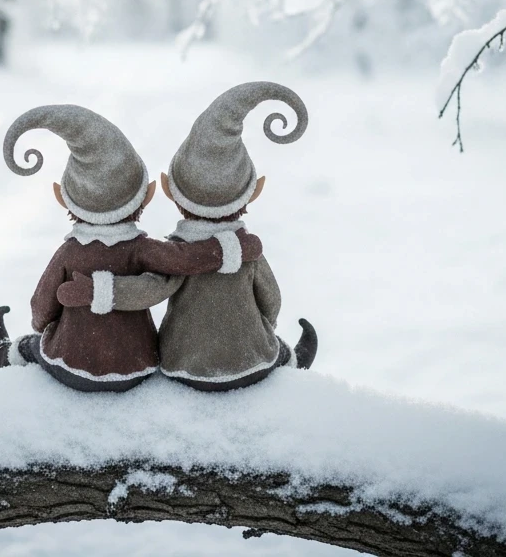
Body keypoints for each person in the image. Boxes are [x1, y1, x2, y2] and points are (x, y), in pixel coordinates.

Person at [58, 82, 317, 392]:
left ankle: (19, 352)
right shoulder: (248, 252)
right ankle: (285, 357)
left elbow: (154, 289)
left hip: (183, 364)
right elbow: (271, 298)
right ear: (255, 190)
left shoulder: (179, 254)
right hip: (252, 361)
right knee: (274, 348)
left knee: (39, 343)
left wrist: (96, 293)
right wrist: (261, 328)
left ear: (164, 190)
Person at [0, 103, 261, 392]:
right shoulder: (142, 249)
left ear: (62, 197)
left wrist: (50, 324)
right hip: (136, 366)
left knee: (35, 345)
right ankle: (287, 355)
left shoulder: (69, 253)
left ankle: (10, 354)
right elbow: (182, 264)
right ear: (149, 194)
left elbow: (41, 309)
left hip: (70, 364)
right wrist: (233, 248)